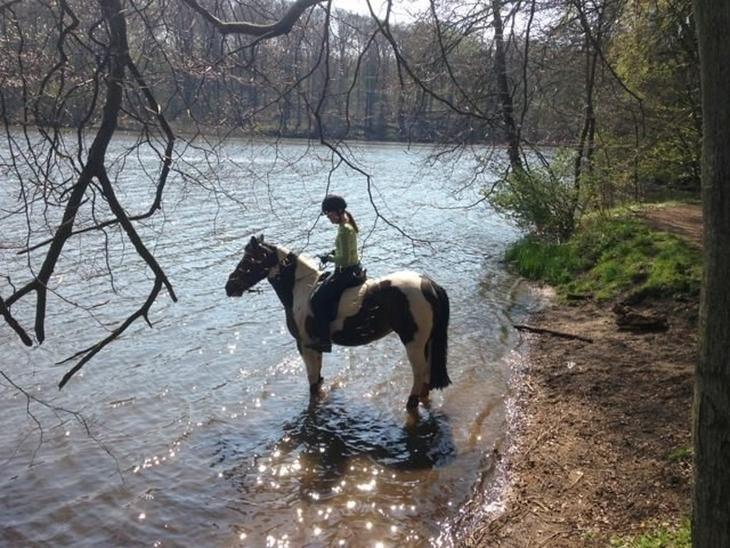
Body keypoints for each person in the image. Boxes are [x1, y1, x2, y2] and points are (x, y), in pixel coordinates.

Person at [308, 195, 364, 352]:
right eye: (327, 215)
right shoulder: (345, 225)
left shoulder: (345, 230)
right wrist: (332, 252)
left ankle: (324, 341)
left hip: (345, 272)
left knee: (317, 300)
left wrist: (329, 258)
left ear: (338, 211)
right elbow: (345, 250)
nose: (329, 218)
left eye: (329, 214)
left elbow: (345, 259)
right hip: (351, 269)